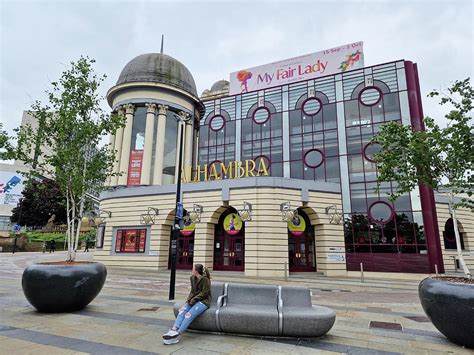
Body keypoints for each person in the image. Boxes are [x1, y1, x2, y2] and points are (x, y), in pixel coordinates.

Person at [163, 264, 211, 345]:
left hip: (203, 301)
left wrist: (194, 299)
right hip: (193, 300)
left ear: (196, 271)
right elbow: (192, 291)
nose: (191, 270)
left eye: (193, 268)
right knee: (182, 310)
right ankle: (174, 329)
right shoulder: (192, 278)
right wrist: (189, 299)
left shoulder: (205, 279)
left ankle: (178, 333)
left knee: (189, 314)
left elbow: (205, 293)